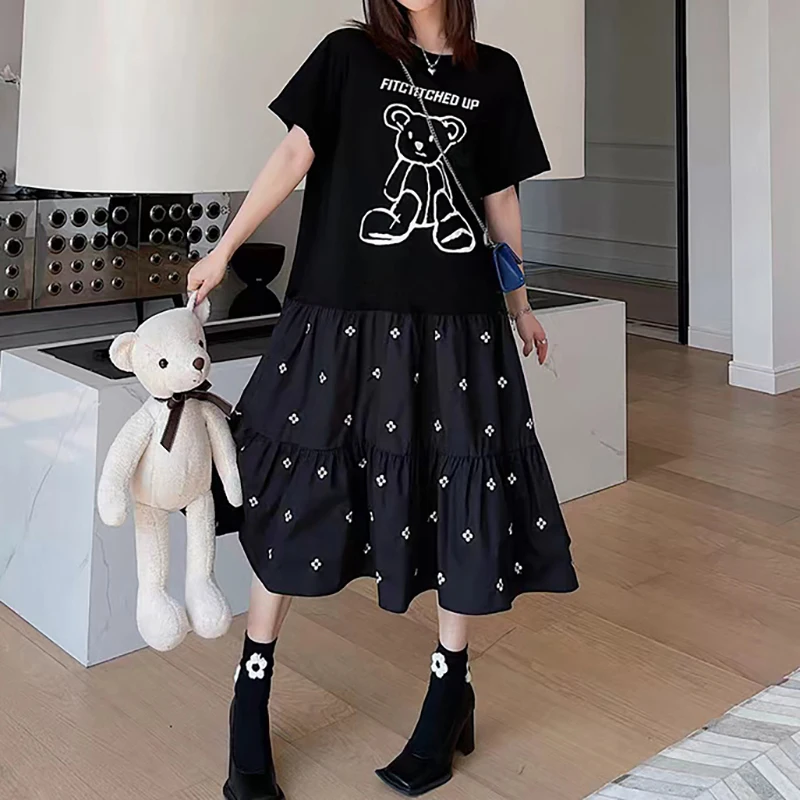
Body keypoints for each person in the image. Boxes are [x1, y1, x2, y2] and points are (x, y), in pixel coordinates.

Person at [188, 1, 578, 797]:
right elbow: (294, 153)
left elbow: (500, 199)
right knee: (299, 494)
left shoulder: (495, 74)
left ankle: (449, 689)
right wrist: (224, 250)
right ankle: (250, 694)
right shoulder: (347, 55)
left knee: (459, 497)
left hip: (457, 324)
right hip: (340, 313)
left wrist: (521, 303)